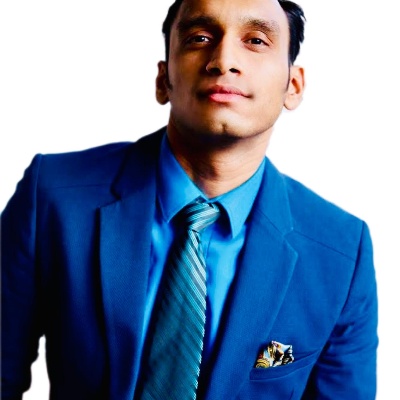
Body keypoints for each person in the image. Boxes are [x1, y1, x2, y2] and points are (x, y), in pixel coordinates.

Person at [1, 0, 378, 399]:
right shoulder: (53, 198)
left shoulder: (341, 253)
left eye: (255, 40)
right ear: (163, 80)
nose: (224, 60)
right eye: (199, 38)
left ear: (294, 85)